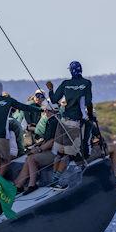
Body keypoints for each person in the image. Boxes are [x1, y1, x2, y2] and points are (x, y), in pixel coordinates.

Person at [46, 61, 95, 189]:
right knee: (68, 154)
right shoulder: (86, 83)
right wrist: (90, 117)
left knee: (59, 153)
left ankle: (53, 180)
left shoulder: (65, 84)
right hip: (74, 123)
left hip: (63, 122)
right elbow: (88, 103)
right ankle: (56, 180)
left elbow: (54, 100)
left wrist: (50, 90)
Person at [0, 82, 41, 175]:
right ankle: (0, 182)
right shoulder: (8, 100)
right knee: (6, 160)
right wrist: (40, 109)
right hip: (2, 136)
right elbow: (24, 107)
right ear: (1, 90)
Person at [13, 102, 59, 194]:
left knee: (31, 158)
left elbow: (52, 141)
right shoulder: (53, 120)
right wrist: (38, 145)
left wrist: (39, 149)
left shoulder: (53, 122)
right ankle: (18, 184)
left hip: (55, 153)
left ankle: (32, 185)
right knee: (29, 157)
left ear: (46, 111)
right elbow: (47, 139)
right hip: (51, 150)